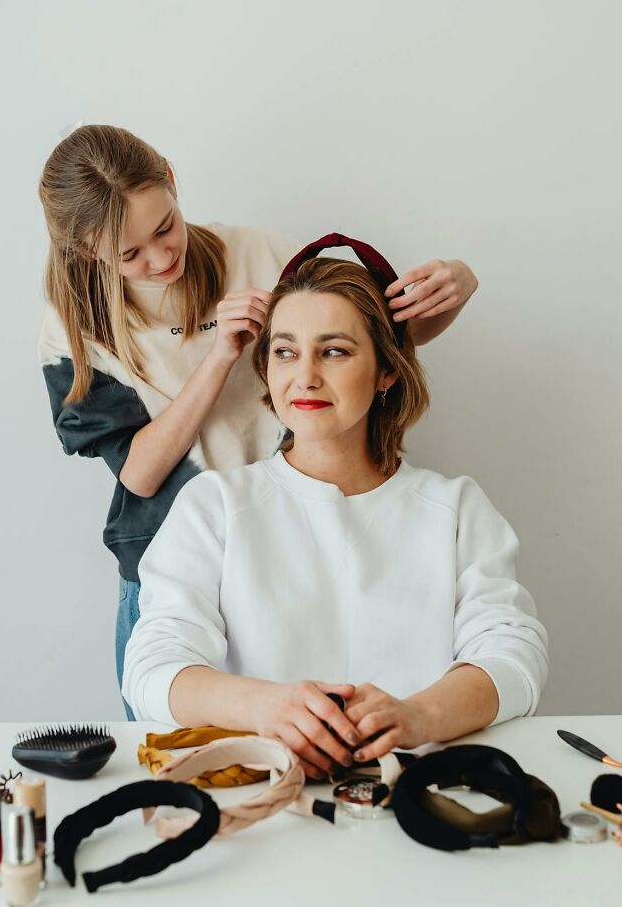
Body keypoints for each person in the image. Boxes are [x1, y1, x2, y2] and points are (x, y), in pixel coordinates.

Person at [38, 125, 479, 718]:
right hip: (168, 563)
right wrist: (220, 356)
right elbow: (138, 474)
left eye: (165, 227)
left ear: (171, 180)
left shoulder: (261, 255)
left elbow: (378, 346)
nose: (162, 257)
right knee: (173, 751)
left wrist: (456, 287)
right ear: (85, 250)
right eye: (129, 254)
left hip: (291, 549)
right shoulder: (74, 328)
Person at [122, 241, 547, 776]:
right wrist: (267, 708)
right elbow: (152, 669)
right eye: (285, 351)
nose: (305, 376)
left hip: (420, 794)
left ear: (386, 371)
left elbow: (514, 658)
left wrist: (418, 716)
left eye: (335, 351)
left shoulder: (455, 508)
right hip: (264, 797)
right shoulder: (215, 505)